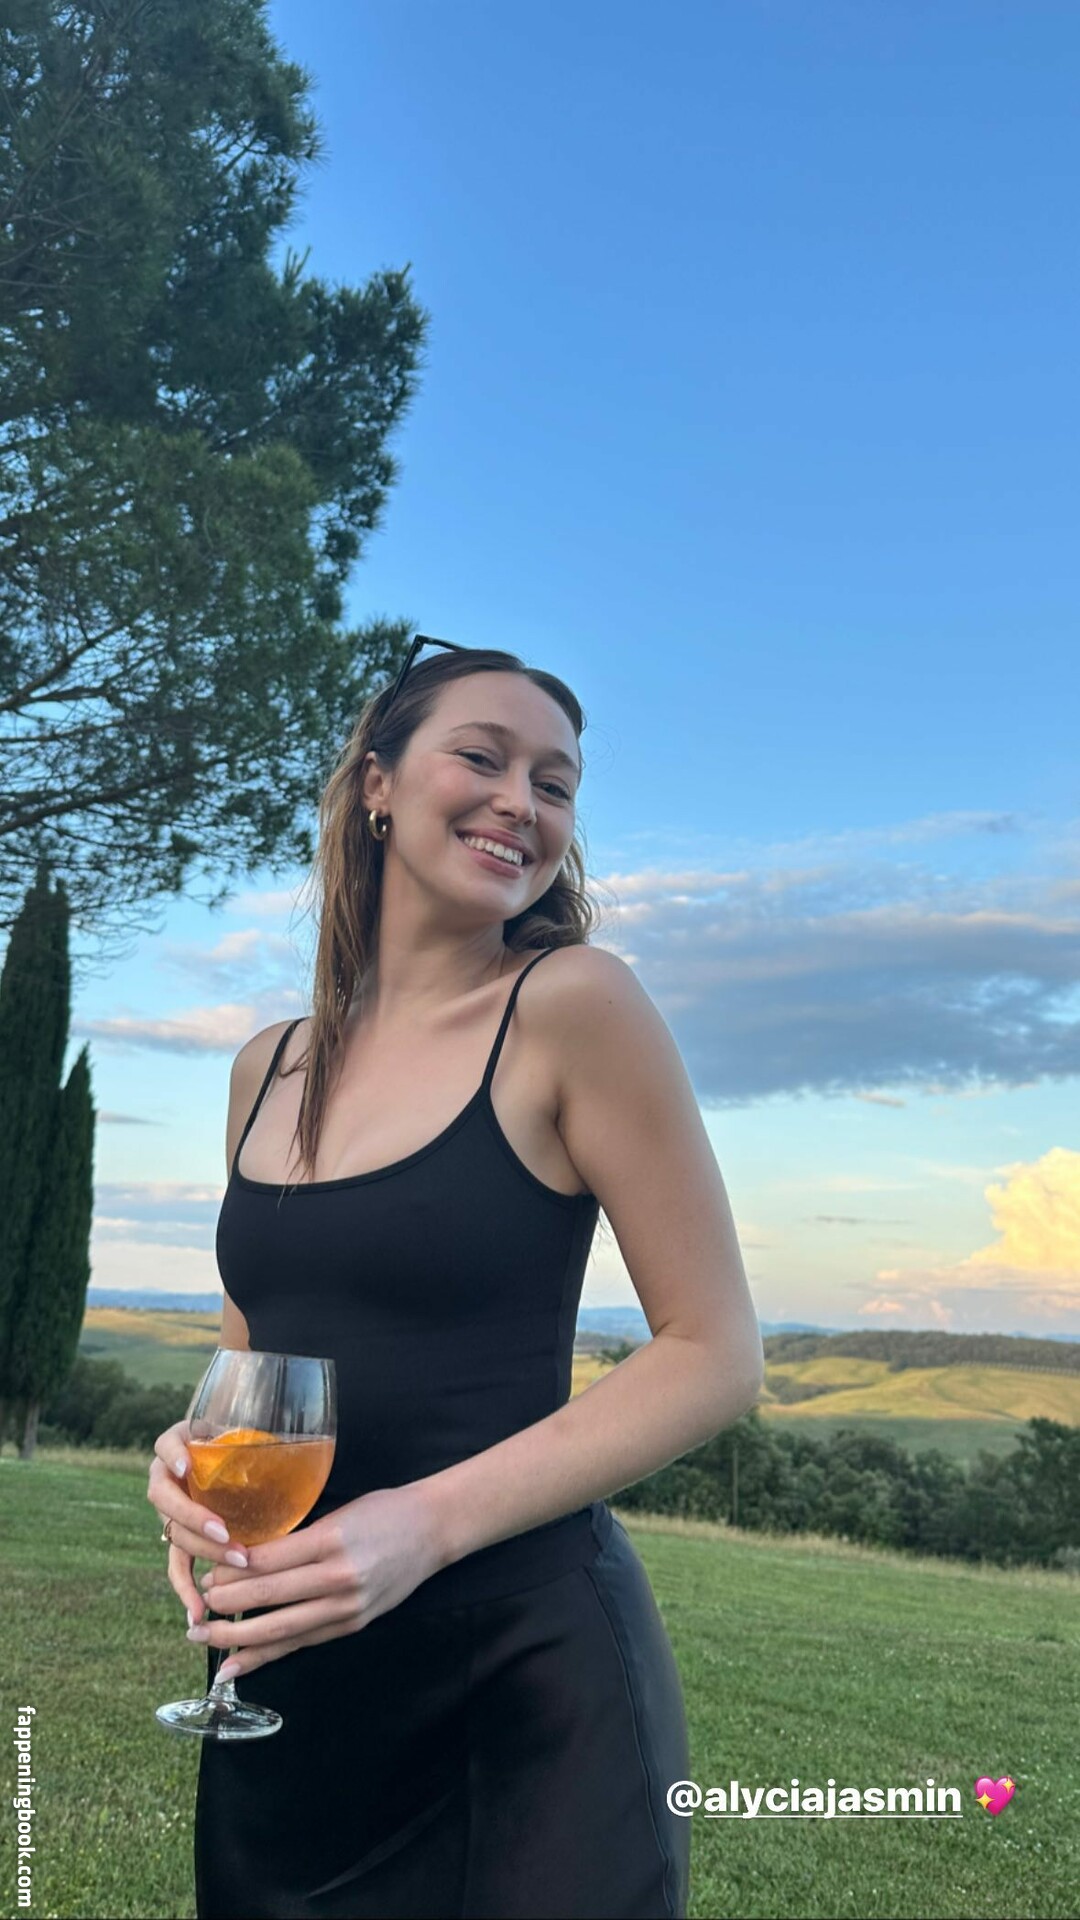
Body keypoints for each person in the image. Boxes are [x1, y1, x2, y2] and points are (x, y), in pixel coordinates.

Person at [147, 638, 764, 1919]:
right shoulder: (264, 1066)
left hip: (517, 1685)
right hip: (290, 1676)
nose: (520, 802)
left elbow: (714, 1353)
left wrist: (418, 1527)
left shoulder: (573, 1007)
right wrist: (192, 1464)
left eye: (555, 783)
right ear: (376, 783)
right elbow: (256, 1358)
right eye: (482, 757)